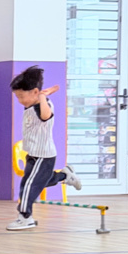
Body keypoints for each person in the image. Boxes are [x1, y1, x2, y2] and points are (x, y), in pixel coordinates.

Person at [9, 66, 81, 231]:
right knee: (38, 183)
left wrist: (42, 96)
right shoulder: (30, 104)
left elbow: (45, 116)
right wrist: (39, 94)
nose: (20, 100)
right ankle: (65, 175)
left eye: (21, 96)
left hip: (43, 156)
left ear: (35, 92)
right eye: (17, 97)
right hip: (33, 154)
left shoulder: (44, 106)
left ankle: (25, 217)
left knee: (28, 186)